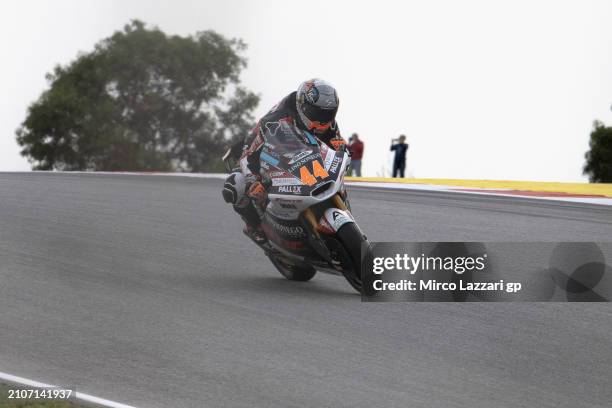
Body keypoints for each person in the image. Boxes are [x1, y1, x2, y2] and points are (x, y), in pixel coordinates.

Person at [222, 79, 346, 244]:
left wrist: (342, 152)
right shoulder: (275, 121)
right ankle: (254, 226)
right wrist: (253, 181)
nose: (323, 120)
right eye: (318, 114)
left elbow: (337, 144)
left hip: (301, 150)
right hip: (260, 152)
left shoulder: (327, 122)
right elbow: (247, 157)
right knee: (234, 185)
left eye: (328, 114)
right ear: (303, 105)